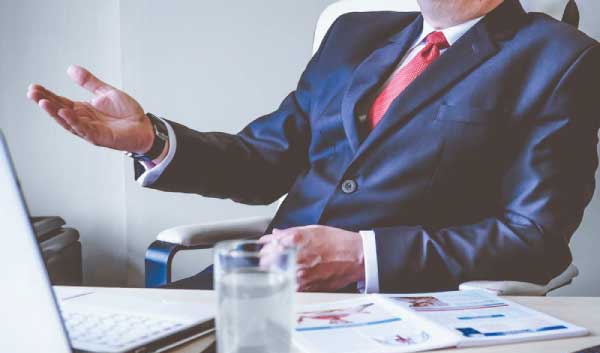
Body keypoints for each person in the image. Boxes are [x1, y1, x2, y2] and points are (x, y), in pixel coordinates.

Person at [27, 0, 600, 293]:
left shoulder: (561, 58)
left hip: (402, 308)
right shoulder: (356, 33)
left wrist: (361, 257)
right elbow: (263, 162)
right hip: (256, 288)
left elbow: (534, 238)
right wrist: (152, 138)